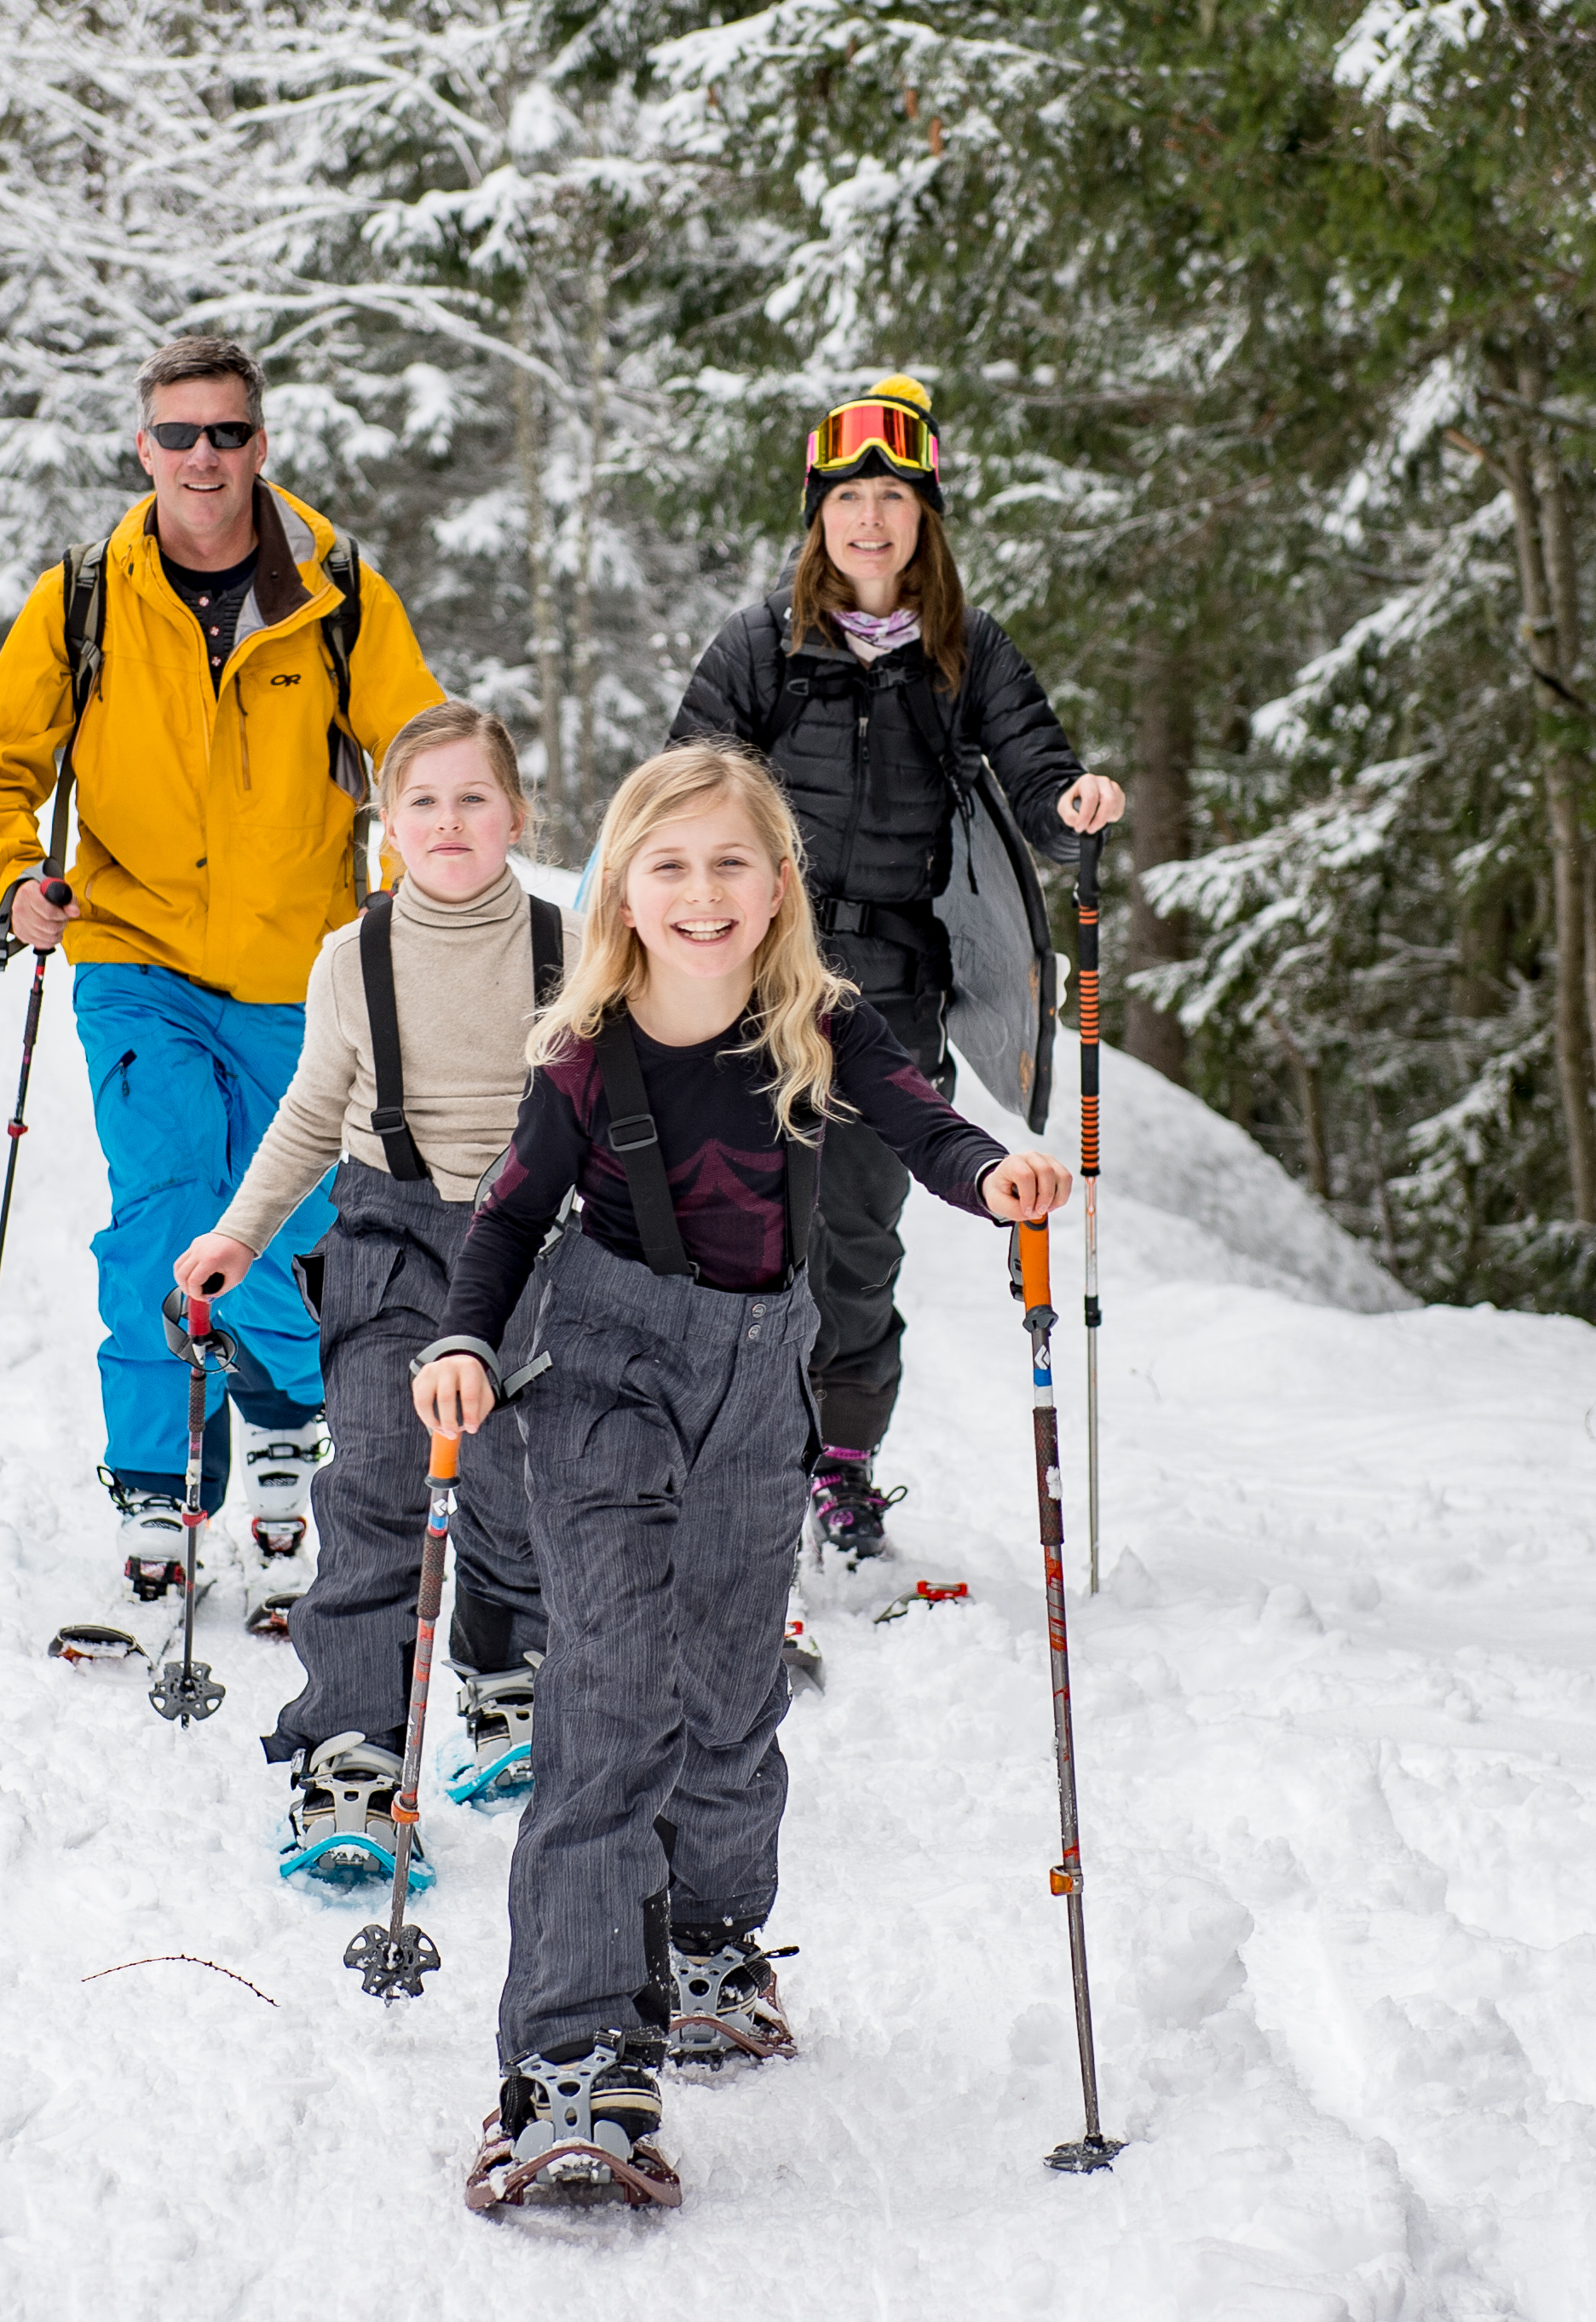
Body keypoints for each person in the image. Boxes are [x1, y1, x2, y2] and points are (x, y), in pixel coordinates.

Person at [410, 744, 1071, 2214]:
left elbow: (926, 1123)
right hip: (603, 1373)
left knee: (728, 1685)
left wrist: (995, 1178)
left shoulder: (817, 1023)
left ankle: (710, 1937)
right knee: (607, 1699)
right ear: (622, 893)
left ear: (779, 887)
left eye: (731, 866)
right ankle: (571, 2061)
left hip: (758, 1384)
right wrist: (461, 1336)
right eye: (671, 867)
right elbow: (512, 1220)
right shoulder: (584, 1051)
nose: (703, 894)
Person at [0, 333, 447, 1600]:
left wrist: (410, 898)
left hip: (303, 970)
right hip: (138, 954)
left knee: (280, 1222)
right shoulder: (85, 598)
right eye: (180, 435)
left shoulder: (338, 592)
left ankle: (283, 1431)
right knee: (165, 1209)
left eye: (228, 433)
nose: (204, 458)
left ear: (261, 444)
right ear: (144, 446)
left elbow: (420, 756)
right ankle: (160, 1479)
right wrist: (16, 876)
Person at [665, 373, 1123, 1562]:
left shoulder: (967, 652)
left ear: (926, 516)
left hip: (896, 991)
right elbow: (682, 795)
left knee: (859, 1232)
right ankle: (724, 1453)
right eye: (848, 500)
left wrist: (1075, 813)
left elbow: (1039, 779)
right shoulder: (761, 646)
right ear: (817, 515)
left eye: (893, 499)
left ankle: (841, 1464)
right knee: (734, 1215)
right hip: (758, 978)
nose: (869, 522)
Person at [170, 700, 573, 1880]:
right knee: (384, 1480)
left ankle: (513, 1680)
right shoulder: (354, 957)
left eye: (473, 799)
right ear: (385, 825)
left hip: (532, 1240)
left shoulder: (571, 945)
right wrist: (238, 1237)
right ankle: (351, 1750)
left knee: (519, 1471)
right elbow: (308, 1110)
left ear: (516, 814)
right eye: (422, 802)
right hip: (389, 1235)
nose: (448, 822)